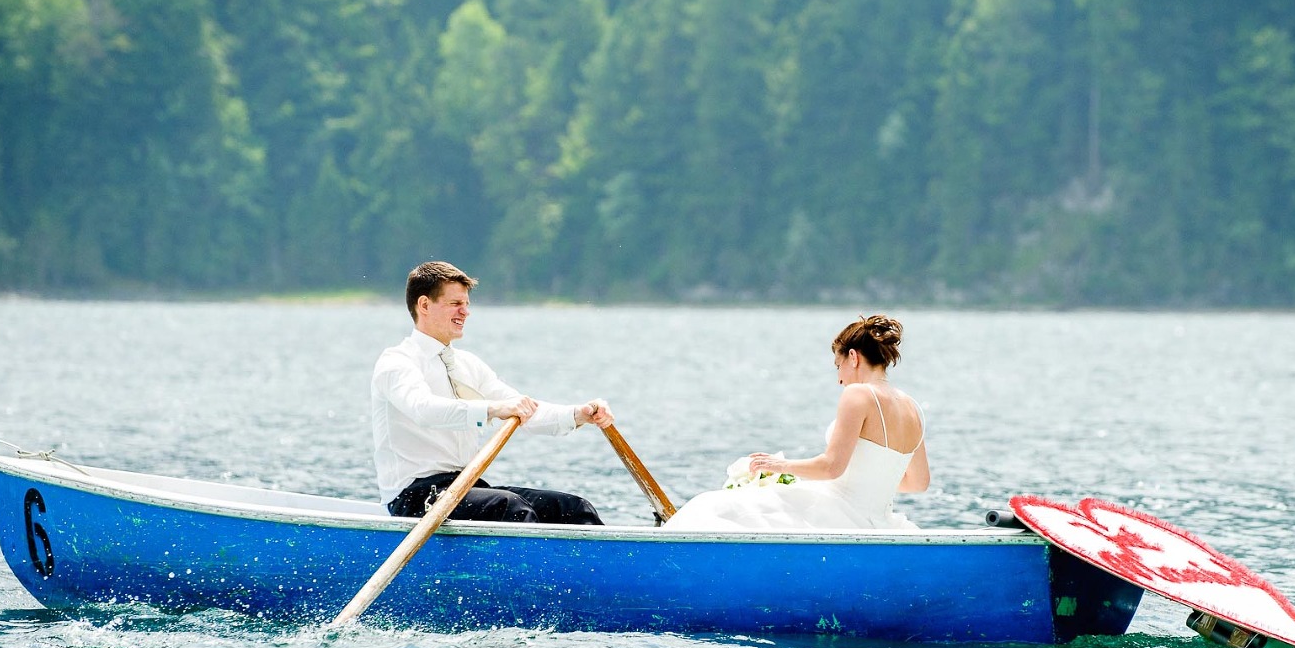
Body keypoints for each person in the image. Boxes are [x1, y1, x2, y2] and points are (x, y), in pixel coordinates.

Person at [372, 260, 614, 522]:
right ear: (424, 305)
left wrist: (580, 414)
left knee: (572, 507)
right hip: (413, 497)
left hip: (465, 486)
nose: (465, 312)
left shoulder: (469, 365)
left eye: (466, 304)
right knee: (510, 508)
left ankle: (604, 563)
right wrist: (492, 408)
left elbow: (523, 408)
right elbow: (424, 410)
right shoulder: (397, 362)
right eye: (455, 304)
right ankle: (531, 564)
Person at [665, 315, 929, 531]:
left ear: (853, 356)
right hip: (881, 523)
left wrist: (779, 465)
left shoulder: (858, 394)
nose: (839, 378)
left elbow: (831, 468)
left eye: (838, 365)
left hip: (841, 515)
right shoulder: (913, 408)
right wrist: (871, 480)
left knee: (710, 506)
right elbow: (919, 483)